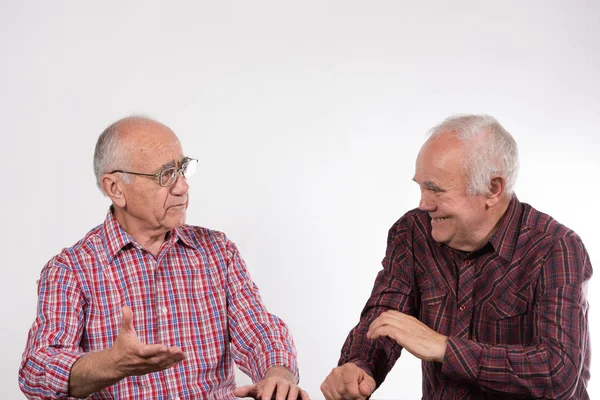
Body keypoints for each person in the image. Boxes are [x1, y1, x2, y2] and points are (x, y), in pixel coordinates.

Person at [19, 116, 309, 400]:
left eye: (182, 169)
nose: (182, 186)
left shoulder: (218, 251)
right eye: (165, 175)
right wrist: (113, 364)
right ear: (116, 189)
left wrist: (278, 376)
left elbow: (259, 331)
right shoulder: (71, 269)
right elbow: (37, 370)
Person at [321, 115, 592, 399]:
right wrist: (358, 366)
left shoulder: (556, 247)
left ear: (492, 189)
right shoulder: (413, 232)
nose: (423, 204)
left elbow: (558, 372)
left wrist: (444, 348)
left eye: (435, 189)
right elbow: (386, 315)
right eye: (421, 186)